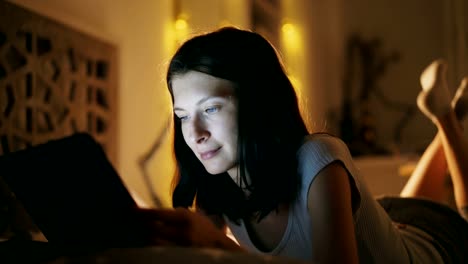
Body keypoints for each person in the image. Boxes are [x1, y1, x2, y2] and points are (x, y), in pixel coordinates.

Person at [140, 27, 468, 263]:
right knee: (391, 232)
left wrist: (218, 244)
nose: (194, 132)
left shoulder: (318, 157)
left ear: (258, 103)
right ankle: (445, 115)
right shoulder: (215, 188)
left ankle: (449, 122)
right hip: (387, 220)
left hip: (441, 243)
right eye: (182, 116)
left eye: (210, 109)